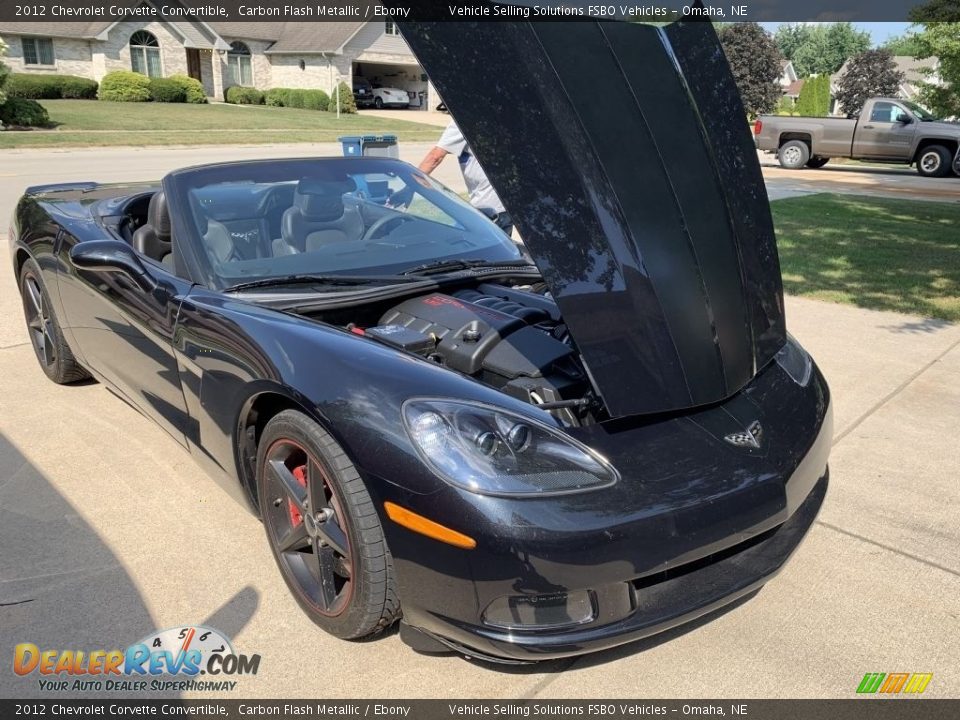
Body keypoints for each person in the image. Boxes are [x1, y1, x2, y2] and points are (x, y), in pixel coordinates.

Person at [417, 120, 513, 236]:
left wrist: (409, 185)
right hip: (505, 203)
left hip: (487, 206)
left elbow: (435, 157)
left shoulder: (461, 121)